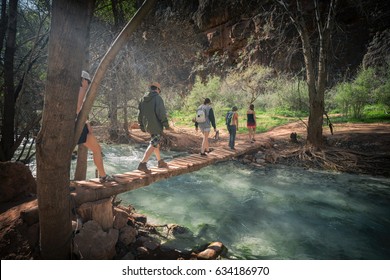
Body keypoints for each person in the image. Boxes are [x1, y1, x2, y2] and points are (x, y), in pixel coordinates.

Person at [77, 71, 114, 182]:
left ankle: (103, 176)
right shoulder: (81, 88)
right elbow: (77, 107)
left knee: (96, 149)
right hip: (78, 124)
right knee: (97, 149)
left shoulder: (71, 89)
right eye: (88, 81)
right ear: (83, 80)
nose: (88, 84)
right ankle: (103, 177)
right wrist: (87, 123)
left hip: (72, 123)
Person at [137, 82, 171, 173]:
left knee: (155, 142)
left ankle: (160, 161)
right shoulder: (157, 98)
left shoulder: (142, 99)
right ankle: (142, 163)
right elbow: (161, 113)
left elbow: (139, 114)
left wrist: (141, 125)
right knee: (154, 143)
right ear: (157, 90)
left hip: (148, 125)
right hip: (156, 125)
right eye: (159, 91)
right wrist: (166, 125)